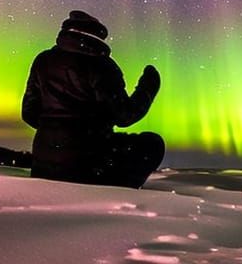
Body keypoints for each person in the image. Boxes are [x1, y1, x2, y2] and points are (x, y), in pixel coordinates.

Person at [21, 10, 165, 188]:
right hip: (88, 163)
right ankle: (116, 190)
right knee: (152, 144)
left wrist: (56, 133)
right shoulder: (102, 66)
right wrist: (148, 88)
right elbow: (125, 116)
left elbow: (29, 113)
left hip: (44, 161)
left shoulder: (43, 60)